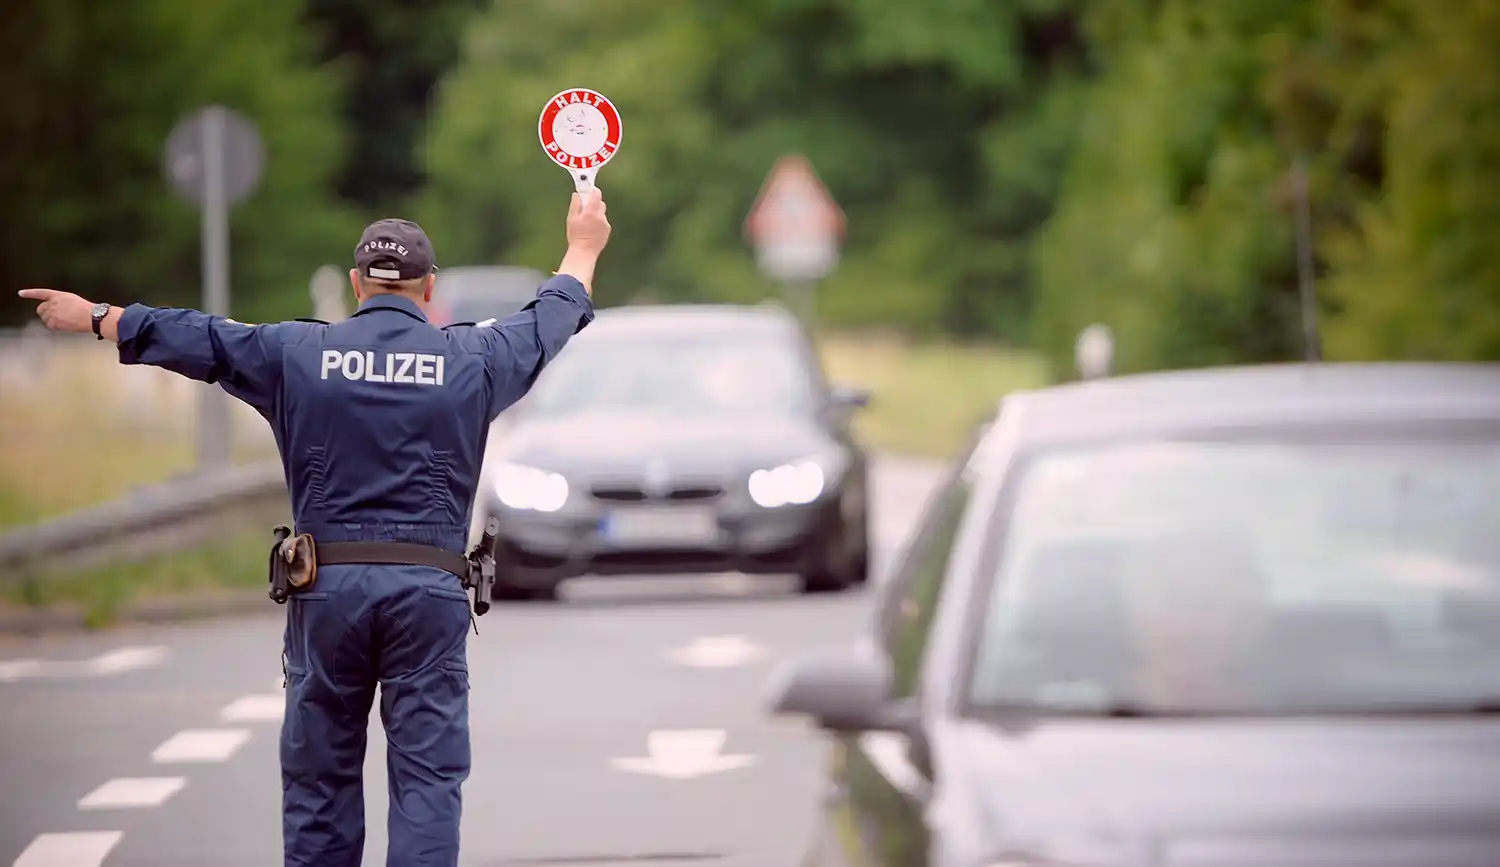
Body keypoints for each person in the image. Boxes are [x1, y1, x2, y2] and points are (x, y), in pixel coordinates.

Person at [17, 187, 613, 867]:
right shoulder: (470, 359)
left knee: (320, 779)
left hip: (326, 592)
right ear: (429, 289)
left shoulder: (296, 353)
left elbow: (205, 339)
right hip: (429, 594)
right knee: (427, 780)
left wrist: (99, 316)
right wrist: (583, 244)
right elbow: (548, 322)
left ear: (358, 283)